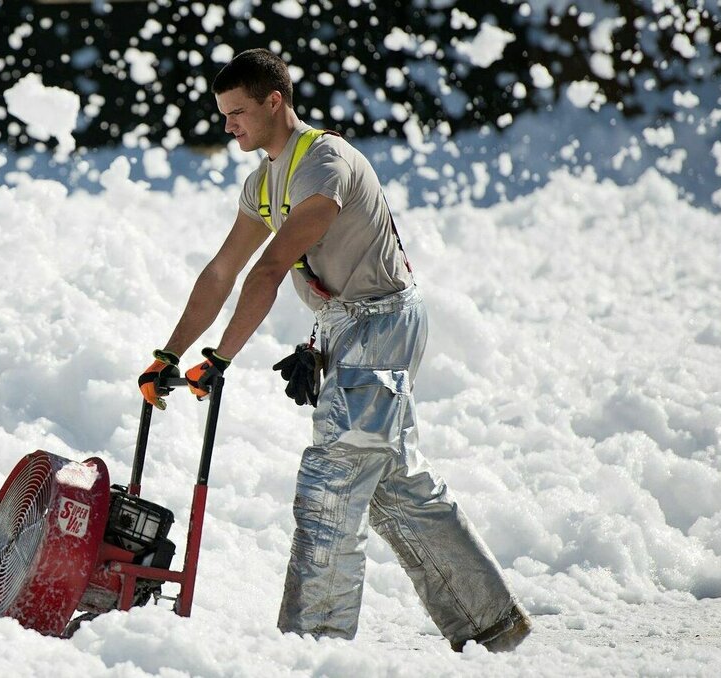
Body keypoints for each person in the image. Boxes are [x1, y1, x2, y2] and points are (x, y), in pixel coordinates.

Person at [137, 48, 531, 652]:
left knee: (333, 480)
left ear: (275, 102)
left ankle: (311, 646)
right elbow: (222, 272)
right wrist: (168, 355)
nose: (228, 126)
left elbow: (268, 269)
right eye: (223, 115)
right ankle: (491, 622)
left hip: (382, 325)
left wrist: (219, 359)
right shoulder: (263, 181)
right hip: (347, 327)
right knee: (392, 483)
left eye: (238, 112)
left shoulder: (324, 163)